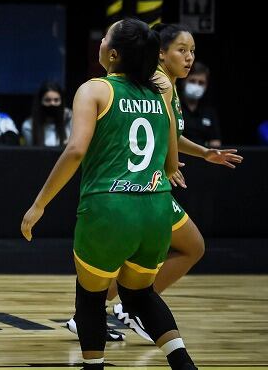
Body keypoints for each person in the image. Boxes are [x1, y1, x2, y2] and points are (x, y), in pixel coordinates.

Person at [22, 18, 198, 370]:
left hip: (109, 207)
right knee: (140, 294)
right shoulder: (158, 93)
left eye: (105, 38)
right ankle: (184, 365)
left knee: (90, 297)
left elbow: (74, 151)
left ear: (113, 53)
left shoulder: (95, 89)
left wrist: (39, 204)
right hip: (156, 207)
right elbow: (171, 160)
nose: (100, 41)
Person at [108, 24, 242, 340]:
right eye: (181, 50)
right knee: (191, 246)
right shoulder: (159, 82)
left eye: (193, 51)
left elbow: (171, 134)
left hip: (139, 183)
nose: (189, 57)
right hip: (144, 183)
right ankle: (131, 307)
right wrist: (168, 164)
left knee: (145, 257)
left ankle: (97, 308)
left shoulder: (164, 82)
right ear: (160, 53)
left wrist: (205, 152)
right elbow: (157, 133)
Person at [179, 61, 222, 148]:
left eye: (201, 83)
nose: (196, 85)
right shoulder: (173, 106)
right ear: (184, 81)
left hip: (204, 159)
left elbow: (216, 142)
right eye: (192, 81)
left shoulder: (209, 112)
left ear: (206, 86)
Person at [21, 81, 72, 147]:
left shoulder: (70, 120)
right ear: (40, 102)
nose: (52, 104)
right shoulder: (28, 126)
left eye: (56, 100)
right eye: (47, 100)